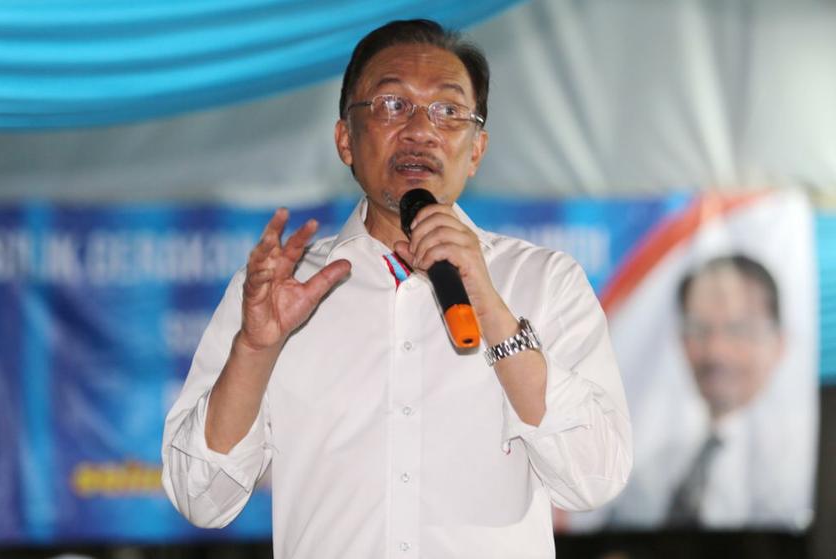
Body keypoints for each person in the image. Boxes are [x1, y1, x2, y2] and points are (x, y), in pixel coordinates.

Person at [161, 19, 632, 558]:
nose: (420, 130)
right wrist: (255, 350)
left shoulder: (545, 281)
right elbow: (200, 497)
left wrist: (490, 305)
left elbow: (594, 481)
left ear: (476, 151)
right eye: (391, 105)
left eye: (449, 112)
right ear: (345, 139)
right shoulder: (279, 293)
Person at [607, 253, 814, 530]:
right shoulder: (652, 470)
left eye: (738, 329)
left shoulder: (806, 466)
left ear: (779, 343)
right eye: (699, 329)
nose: (716, 351)